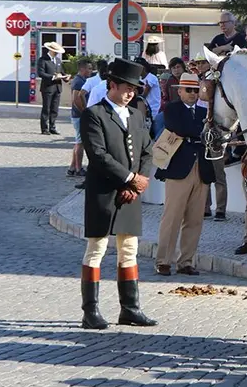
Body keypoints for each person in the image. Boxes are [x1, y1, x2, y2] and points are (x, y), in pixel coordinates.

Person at [77, 58, 157, 330]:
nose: (131, 92)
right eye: (126, 87)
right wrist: (130, 179)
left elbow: (147, 150)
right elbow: (98, 155)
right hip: (103, 191)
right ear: (111, 84)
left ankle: (130, 309)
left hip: (130, 193)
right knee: (96, 249)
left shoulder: (135, 113)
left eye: (135, 88)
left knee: (129, 250)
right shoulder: (94, 114)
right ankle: (91, 311)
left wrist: (139, 182)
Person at [154, 72, 214, 276]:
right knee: (172, 217)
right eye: (188, 90)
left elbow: (210, 132)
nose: (192, 94)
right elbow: (178, 127)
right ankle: (164, 260)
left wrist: (196, 132)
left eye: (196, 90)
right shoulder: (172, 108)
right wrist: (199, 131)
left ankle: (186, 261)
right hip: (179, 167)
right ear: (179, 91)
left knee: (195, 219)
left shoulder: (205, 111)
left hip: (201, 167)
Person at [68, 60, 95, 177]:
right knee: (80, 142)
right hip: (79, 116)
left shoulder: (83, 80)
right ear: (82, 69)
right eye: (88, 68)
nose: (90, 71)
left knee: (79, 141)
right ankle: (79, 168)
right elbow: (76, 99)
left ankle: (72, 167)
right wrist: (84, 112)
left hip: (78, 115)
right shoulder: (79, 81)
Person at [37, 41, 70, 135]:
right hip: (48, 88)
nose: (57, 53)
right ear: (50, 50)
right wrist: (53, 77)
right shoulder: (43, 60)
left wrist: (66, 77)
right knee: (46, 108)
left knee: (55, 109)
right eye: (55, 51)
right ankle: (44, 128)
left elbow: (62, 72)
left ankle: (52, 127)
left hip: (57, 87)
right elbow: (41, 73)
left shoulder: (58, 61)